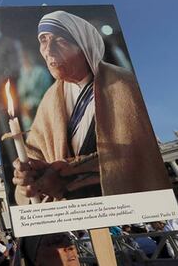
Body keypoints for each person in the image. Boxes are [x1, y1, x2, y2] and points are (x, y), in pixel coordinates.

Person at [13, 10, 171, 203]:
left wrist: (76, 170)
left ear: (83, 46)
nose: (49, 50)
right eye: (44, 40)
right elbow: (33, 157)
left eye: (60, 40)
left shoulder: (125, 84)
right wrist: (27, 179)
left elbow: (143, 153)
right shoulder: (49, 99)